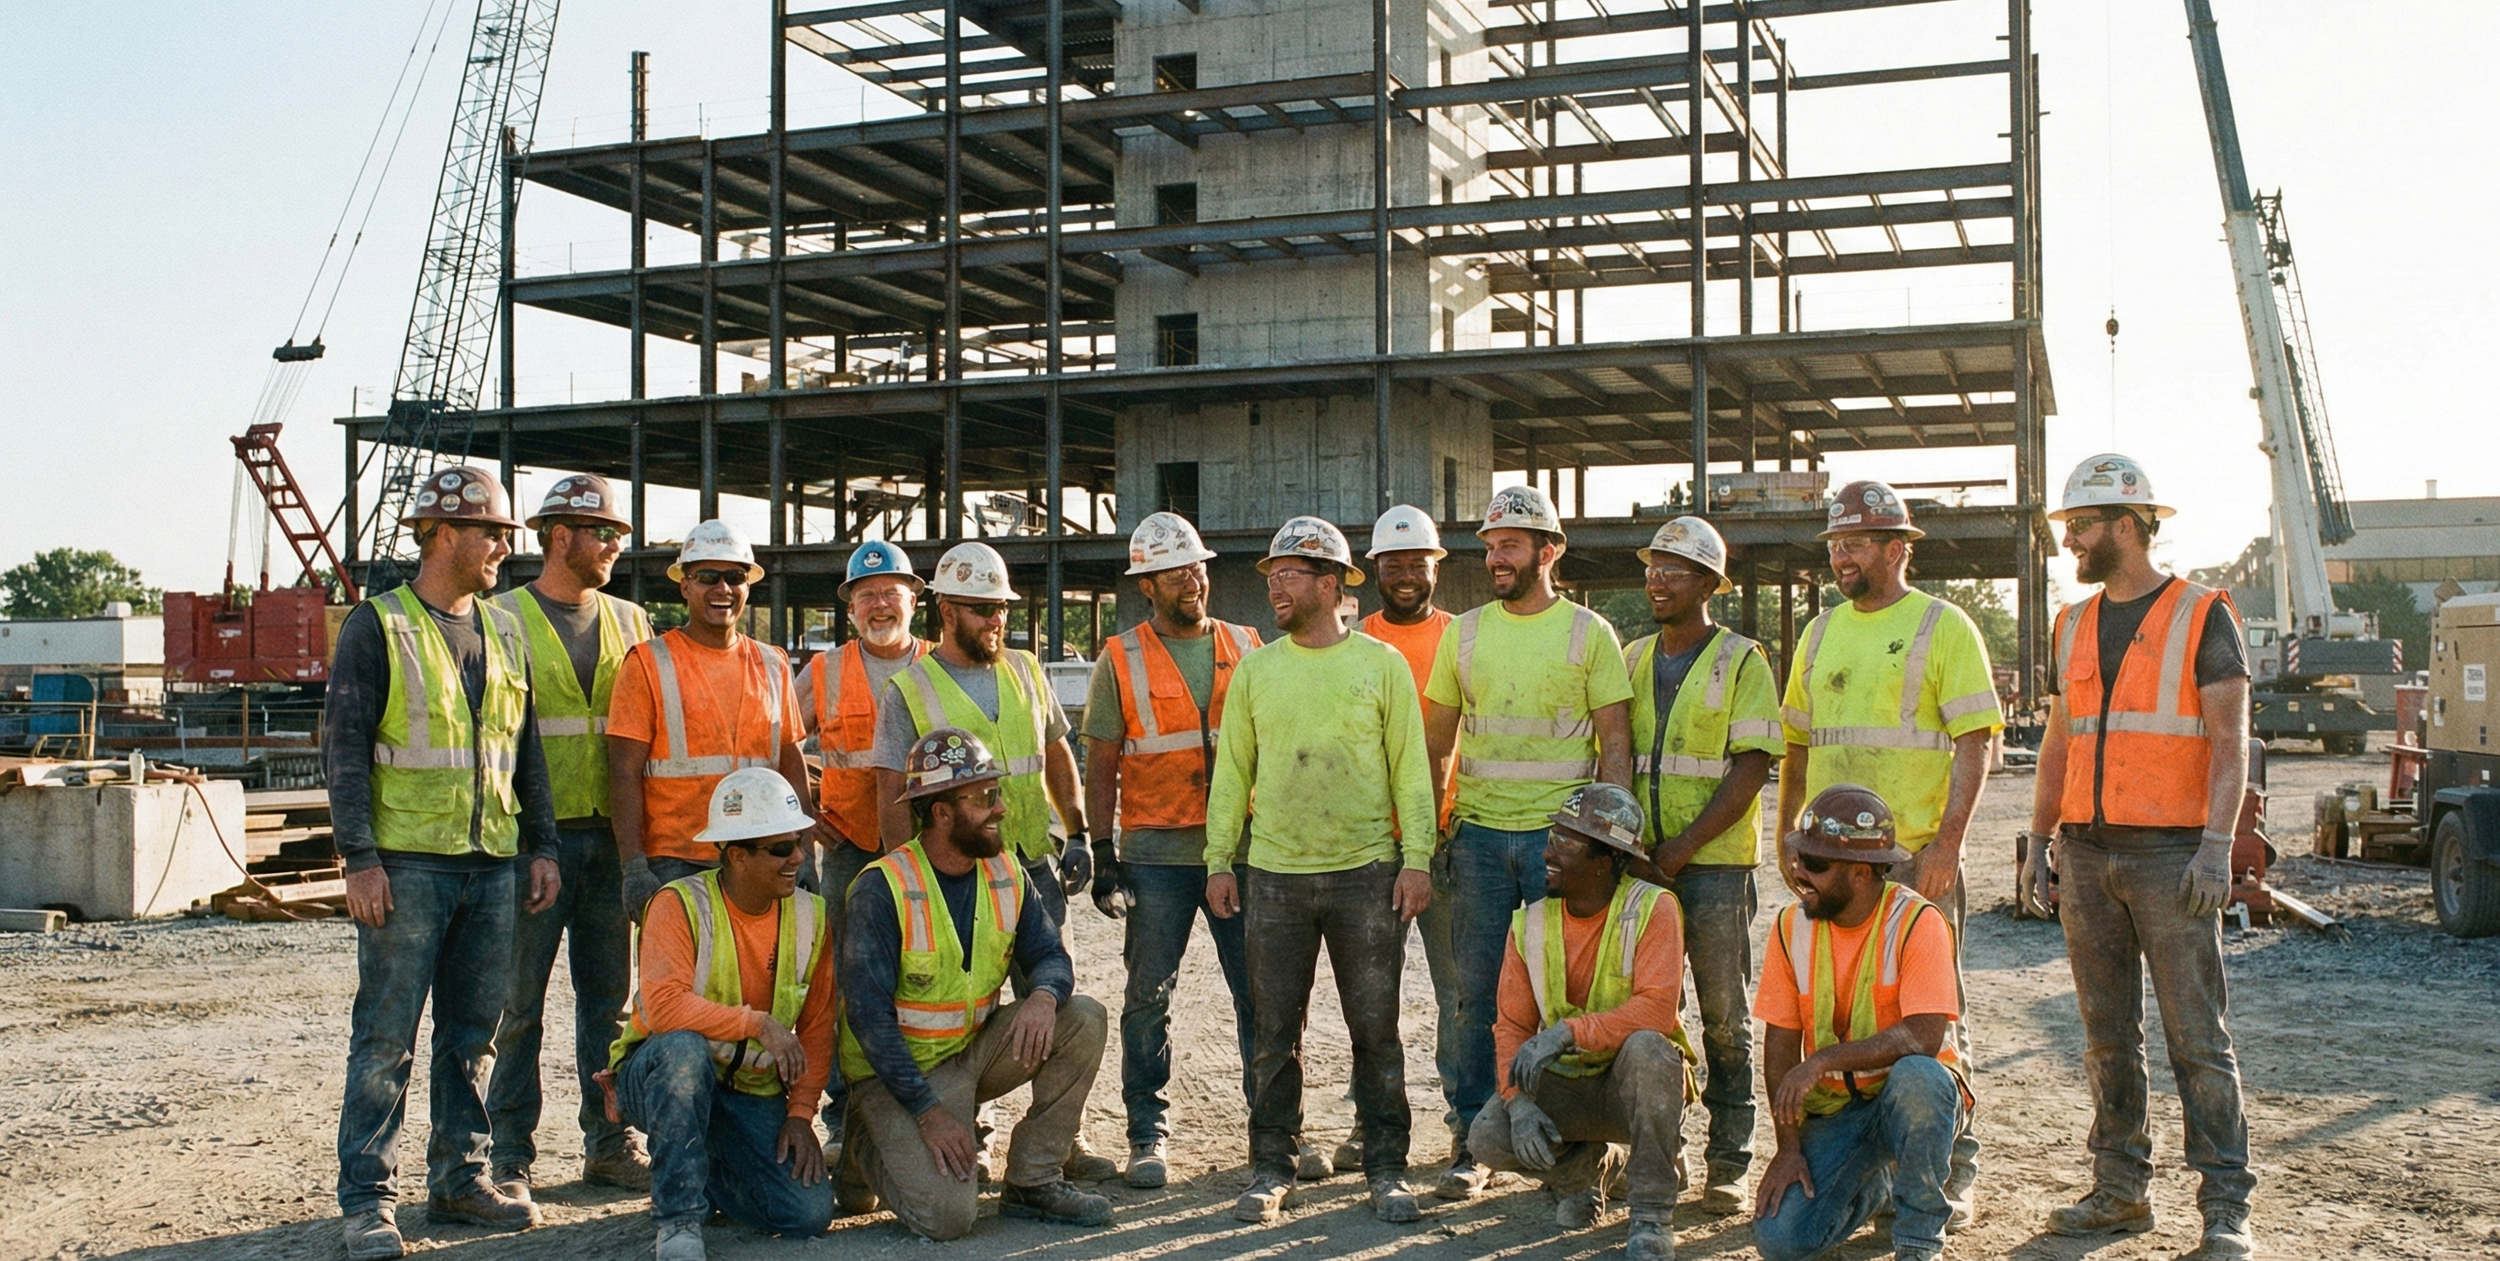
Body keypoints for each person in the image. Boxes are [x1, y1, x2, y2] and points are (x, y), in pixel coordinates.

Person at [324, 466, 562, 1259]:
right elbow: (346, 749)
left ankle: (460, 1177)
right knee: (386, 1036)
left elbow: (527, 753)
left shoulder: (504, 630)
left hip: (492, 861)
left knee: (472, 1034)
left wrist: (542, 847)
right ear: (441, 533)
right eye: (492, 532)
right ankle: (367, 1198)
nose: (503, 547)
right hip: (407, 863)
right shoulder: (378, 625)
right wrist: (359, 857)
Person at [2028, 455, 2256, 1261]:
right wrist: (2038, 840)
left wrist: (2217, 849)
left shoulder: (2202, 615)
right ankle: (2121, 1189)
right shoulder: (2072, 623)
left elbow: (2232, 745)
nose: (2070, 542)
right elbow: (2060, 740)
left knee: (2198, 1038)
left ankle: (2226, 1206)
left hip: (2172, 858)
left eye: (2080, 526)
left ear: (2125, 526)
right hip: (2087, 853)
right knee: (2105, 1035)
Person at [1776, 479, 2001, 1223]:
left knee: (1936, 1015)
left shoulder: (1944, 627)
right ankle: (1867, 1160)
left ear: (1897, 548)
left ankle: (1951, 1168)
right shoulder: (1819, 633)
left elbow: (1977, 743)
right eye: (1836, 544)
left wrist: (1948, 842)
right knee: (1841, 1007)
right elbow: (1799, 749)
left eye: (1857, 542)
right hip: (1833, 861)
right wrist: (1789, 836)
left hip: (1911, 859)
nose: (1842, 556)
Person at [1206, 516, 1437, 1225]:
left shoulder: (1382, 666)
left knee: (1376, 1029)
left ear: (1330, 585)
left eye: (1289, 574)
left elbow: (1411, 771)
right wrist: (1220, 858)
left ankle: (1386, 1166)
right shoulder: (1256, 669)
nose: (1274, 585)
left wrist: (1417, 859)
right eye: (1271, 575)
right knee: (1275, 1030)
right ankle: (1272, 1165)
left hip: (1366, 873)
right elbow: (1232, 771)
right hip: (1273, 874)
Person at [868, 539, 1115, 1181]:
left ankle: (1062, 1141)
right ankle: (955, 1116)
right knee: (956, 997)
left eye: (1001, 608)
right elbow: (891, 789)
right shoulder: (910, 689)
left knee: (1051, 1003)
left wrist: (1080, 831)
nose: (995, 621)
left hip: (1028, 865)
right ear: (946, 611)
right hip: (950, 873)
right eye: (981, 610)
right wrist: (906, 876)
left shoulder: (1027, 671)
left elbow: (1056, 754)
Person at [1422, 484, 1634, 1200]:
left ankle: (1577, 1142)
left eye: (1509, 544)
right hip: (1480, 839)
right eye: (1489, 545)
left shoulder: (1588, 633)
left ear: (1549, 550)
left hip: (1562, 847)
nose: (1494, 556)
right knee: (1475, 993)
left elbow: (1614, 743)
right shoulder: (1466, 632)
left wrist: (1608, 844)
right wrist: (1431, 832)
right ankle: (1473, 1137)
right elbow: (1437, 745)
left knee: (1566, 992)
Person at [836, 728, 1115, 1239]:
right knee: (948, 1219)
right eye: (985, 798)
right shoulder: (883, 887)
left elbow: (1050, 955)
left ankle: (1033, 1180)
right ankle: (867, 1137)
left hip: (972, 1053)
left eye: (997, 793)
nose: (1001, 809)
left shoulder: (1006, 870)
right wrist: (927, 1113)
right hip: (899, 1077)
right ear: (941, 812)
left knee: (1082, 1019)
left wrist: (1044, 997)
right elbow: (868, 1020)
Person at [485, 474, 657, 1201]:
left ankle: (608, 1141)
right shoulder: (502, 619)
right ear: (561, 536)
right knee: (517, 1004)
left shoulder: (633, 621)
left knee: (608, 1006)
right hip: (534, 847)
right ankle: (507, 1154)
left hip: (612, 841)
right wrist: (525, 843)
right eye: (605, 533)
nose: (618, 544)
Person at [1078, 513, 1262, 1189]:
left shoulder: (1246, 643)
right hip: (1156, 854)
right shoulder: (1120, 657)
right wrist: (1104, 853)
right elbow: (1100, 764)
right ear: (1146, 585)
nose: (1194, 578)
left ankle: (1269, 1129)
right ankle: (1146, 1133)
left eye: (1198, 566)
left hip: (1239, 850)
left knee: (1260, 994)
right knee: (1147, 996)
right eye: (1176, 570)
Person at [606, 768, 838, 1261]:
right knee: (684, 1053)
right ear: (737, 855)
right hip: (662, 1074)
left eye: (798, 842)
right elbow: (665, 1006)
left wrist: (799, 1115)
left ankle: (702, 1169)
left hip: (748, 1091)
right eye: (781, 848)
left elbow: (818, 1026)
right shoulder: (678, 905)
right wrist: (757, 1023)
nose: (798, 857)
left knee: (808, 1214)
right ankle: (678, 1222)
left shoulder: (811, 916)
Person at [1622, 516, 1781, 1214]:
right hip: (1641, 867)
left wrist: (1681, 847)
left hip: (1712, 868)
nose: (1658, 579)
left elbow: (1751, 768)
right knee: (1654, 1013)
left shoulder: (1743, 659)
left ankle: (1730, 1157)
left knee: (1723, 1015)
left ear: (1711, 583)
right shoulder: (1630, 656)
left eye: (1676, 568)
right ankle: (1665, 1149)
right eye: (1654, 566)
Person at [1469, 783, 1691, 1261]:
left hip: (1630, 1086)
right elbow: (1510, 1025)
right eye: (1553, 836)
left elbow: (1657, 1010)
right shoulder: (1531, 922)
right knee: (1488, 1134)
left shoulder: (1653, 909)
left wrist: (1567, 1032)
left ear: (1606, 859)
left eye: (1566, 843)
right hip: (1569, 1084)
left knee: (1651, 1050)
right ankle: (1588, 1175)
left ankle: (1651, 1214)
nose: (1547, 851)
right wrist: (1519, 1105)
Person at [1750, 786, 1971, 1261]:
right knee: (1780, 1241)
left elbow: (1924, 1037)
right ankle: (1875, 1186)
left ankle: (1918, 1239)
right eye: (1799, 856)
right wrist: (1788, 1149)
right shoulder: (1791, 926)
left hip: (1910, 1103)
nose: (1797, 872)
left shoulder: (1918, 921)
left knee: (1919, 1078)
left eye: (1814, 863)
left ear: (1860, 873)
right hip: (1837, 1112)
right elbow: (1781, 1050)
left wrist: (1825, 1059)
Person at [1338, 504, 1461, 1176]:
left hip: (1447, 839)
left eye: (1419, 563)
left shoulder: (1460, 639)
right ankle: (1367, 1124)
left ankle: (1464, 1127)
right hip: (1374, 847)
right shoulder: (1356, 642)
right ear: (1374, 570)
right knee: (1371, 997)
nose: (1407, 575)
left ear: (1436, 566)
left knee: (1458, 993)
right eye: (1395, 565)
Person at [608, 521, 816, 916]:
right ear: (685, 586)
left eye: (735, 577)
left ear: (748, 586)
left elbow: (791, 763)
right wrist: (633, 865)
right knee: (678, 976)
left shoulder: (772, 664)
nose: (723, 589)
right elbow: (623, 771)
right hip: (676, 857)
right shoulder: (649, 663)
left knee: (756, 973)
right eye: (707, 577)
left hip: (758, 852)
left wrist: (801, 849)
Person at [794, 540, 931, 1134]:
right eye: (867, 595)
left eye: (891, 593)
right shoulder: (822, 672)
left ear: (914, 602)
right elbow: (773, 744)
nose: (880, 605)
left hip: (932, 849)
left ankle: (956, 1113)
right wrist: (802, 813)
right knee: (847, 982)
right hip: (851, 850)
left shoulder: (939, 665)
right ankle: (848, 1115)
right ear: (850, 608)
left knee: (934, 973)